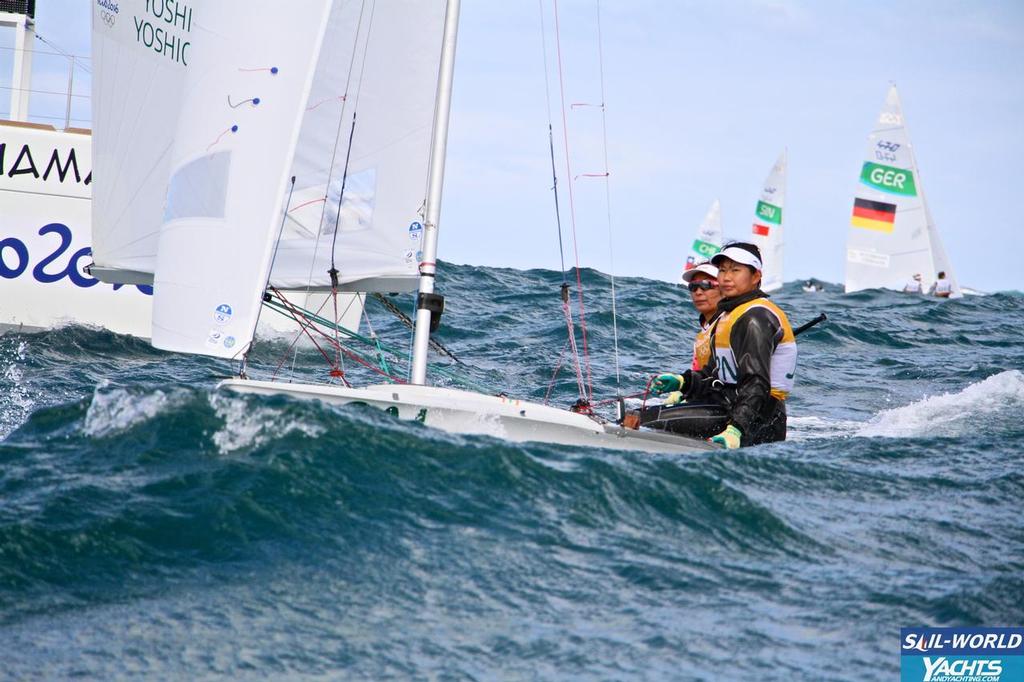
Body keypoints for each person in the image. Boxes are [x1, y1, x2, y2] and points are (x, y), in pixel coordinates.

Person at [649, 242, 797, 449]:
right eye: (722, 270)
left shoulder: (756, 317)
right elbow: (717, 374)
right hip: (729, 406)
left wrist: (736, 429)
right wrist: (684, 382)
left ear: (756, 277)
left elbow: (757, 384)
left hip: (759, 419)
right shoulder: (731, 315)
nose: (726, 277)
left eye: (735, 270)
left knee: (647, 424)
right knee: (648, 417)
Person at [661, 262, 722, 406]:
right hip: (705, 402)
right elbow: (700, 373)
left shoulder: (729, 325)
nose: (698, 292)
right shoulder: (704, 331)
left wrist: (683, 384)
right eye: (693, 286)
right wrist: (682, 391)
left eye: (706, 285)